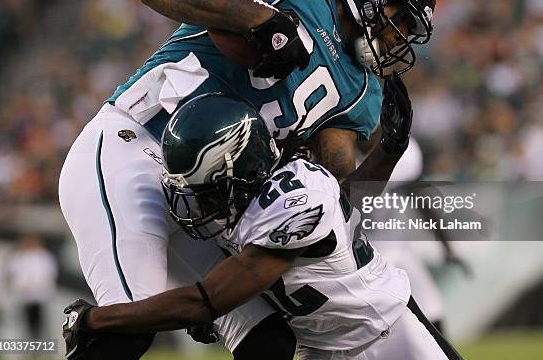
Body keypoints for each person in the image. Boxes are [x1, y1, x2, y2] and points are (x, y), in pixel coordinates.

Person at [59, 0, 435, 359]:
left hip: (207, 204)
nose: (398, 36)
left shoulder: (362, 90)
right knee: (124, 330)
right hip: (136, 146)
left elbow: (332, 205)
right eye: (399, 17)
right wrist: (255, 19)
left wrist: (390, 148)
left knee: (269, 342)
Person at [63, 93, 463, 360]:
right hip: (320, 348)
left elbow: (206, 299)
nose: (200, 201)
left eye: (209, 188)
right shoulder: (253, 202)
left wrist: (96, 319)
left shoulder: (292, 202)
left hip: (384, 338)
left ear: (241, 172)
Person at [7, 234, 58, 339]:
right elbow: (14, 275)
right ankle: (32, 346)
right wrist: (21, 286)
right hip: (25, 295)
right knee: (28, 323)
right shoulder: (19, 257)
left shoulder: (44, 256)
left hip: (40, 295)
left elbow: (49, 274)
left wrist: (37, 285)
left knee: (41, 322)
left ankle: (41, 346)